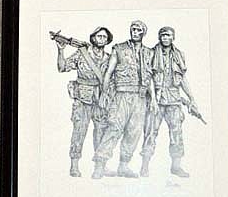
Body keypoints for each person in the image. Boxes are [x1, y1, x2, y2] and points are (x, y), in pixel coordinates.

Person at [92, 20, 156, 179]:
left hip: (140, 97)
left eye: (138, 30)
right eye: (132, 29)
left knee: (134, 131)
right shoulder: (119, 49)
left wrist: (153, 98)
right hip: (122, 95)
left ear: (143, 33)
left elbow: (150, 77)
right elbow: (108, 73)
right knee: (114, 127)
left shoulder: (149, 52)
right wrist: (103, 94)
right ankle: (100, 165)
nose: (134, 32)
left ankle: (124, 166)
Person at [140, 26, 199, 178]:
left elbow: (182, 79)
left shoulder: (179, 55)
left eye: (168, 35)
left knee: (176, 133)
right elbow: (148, 78)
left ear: (173, 37)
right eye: (163, 35)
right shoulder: (151, 53)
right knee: (150, 132)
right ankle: (144, 166)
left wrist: (191, 98)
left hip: (174, 100)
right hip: (157, 99)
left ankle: (176, 166)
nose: (165, 38)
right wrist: (152, 99)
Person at [54, 27, 113, 177]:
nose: (101, 39)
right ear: (92, 38)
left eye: (104, 37)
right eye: (98, 36)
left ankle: (100, 166)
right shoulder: (81, 54)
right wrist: (61, 50)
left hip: (100, 99)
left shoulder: (109, 57)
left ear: (107, 40)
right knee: (79, 131)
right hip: (82, 98)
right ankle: (74, 165)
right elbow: (62, 67)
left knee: (101, 132)